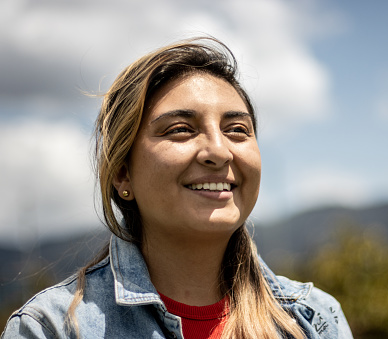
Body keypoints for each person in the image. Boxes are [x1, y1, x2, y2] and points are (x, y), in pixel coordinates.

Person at [2, 37, 353, 339]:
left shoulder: (314, 319)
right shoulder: (52, 328)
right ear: (122, 175)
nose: (218, 150)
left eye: (237, 130)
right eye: (181, 129)